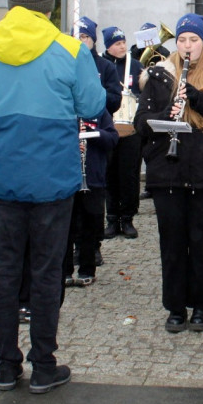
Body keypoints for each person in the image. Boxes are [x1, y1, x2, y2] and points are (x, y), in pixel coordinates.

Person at [0, 0, 105, 394]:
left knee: (5, 273)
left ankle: (5, 365)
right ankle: (43, 364)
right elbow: (93, 104)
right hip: (54, 181)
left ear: (11, 4)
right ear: (48, 7)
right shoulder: (69, 49)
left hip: (2, 181)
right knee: (45, 272)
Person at [134, 13, 203, 333]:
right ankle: (175, 308)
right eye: (181, 40)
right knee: (171, 244)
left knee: (202, 244)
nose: (187, 45)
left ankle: (201, 307)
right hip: (168, 172)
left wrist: (197, 98)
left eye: (193, 40)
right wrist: (163, 116)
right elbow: (141, 122)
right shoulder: (158, 76)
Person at [63, 108, 119, 287]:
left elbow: (113, 138)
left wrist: (94, 133)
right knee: (66, 228)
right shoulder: (64, 110)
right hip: (68, 179)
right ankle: (64, 271)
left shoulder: (99, 112)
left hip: (93, 179)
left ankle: (87, 269)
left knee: (90, 226)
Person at [101, 25, 143, 240]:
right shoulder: (100, 64)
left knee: (129, 174)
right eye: (117, 43)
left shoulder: (135, 66)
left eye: (123, 42)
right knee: (109, 173)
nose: (122, 46)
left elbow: (144, 92)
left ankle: (127, 218)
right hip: (107, 127)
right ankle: (112, 218)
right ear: (108, 46)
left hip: (131, 129)